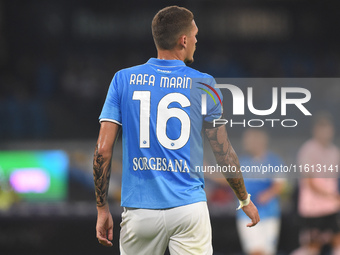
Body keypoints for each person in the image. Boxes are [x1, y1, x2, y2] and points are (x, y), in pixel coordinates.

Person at [93, 6, 259, 255]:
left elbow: (103, 150)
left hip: (140, 211)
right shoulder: (204, 84)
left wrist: (102, 208)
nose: (196, 40)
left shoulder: (122, 79)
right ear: (183, 40)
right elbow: (223, 152)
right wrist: (244, 198)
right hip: (188, 208)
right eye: (194, 35)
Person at [291, 113, 340, 255]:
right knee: (313, 246)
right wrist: (333, 196)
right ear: (315, 131)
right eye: (321, 129)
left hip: (330, 207)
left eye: (328, 129)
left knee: (337, 240)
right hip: (312, 209)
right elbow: (310, 182)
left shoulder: (335, 152)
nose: (325, 133)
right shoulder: (308, 150)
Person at [236, 128, 285, 255]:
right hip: (246, 215)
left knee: (268, 251)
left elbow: (279, 185)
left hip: (270, 213)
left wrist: (267, 195)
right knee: (255, 251)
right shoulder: (242, 162)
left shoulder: (274, 161)